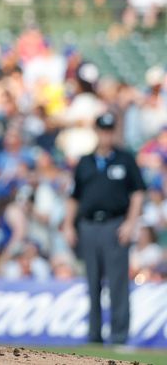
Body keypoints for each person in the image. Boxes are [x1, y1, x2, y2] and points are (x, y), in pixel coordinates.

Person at [63, 112, 145, 345]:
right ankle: (94, 336)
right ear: (97, 132)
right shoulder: (85, 162)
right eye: (102, 130)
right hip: (88, 226)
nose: (106, 135)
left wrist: (130, 222)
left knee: (118, 283)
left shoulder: (125, 159)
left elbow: (138, 192)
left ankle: (119, 336)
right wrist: (69, 225)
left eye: (110, 130)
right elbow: (74, 196)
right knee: (92, 282)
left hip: (115, 224)